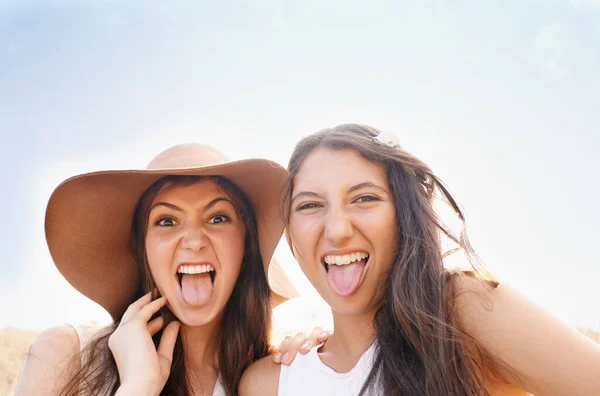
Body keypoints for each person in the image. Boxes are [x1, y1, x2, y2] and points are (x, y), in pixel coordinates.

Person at [241, 124, 600, 395]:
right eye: (310, 205)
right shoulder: (265, 383)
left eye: (364, 198)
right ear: (291, 233)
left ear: (404, 213)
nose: (336, 229)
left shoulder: (461, 311)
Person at [15, 143, 327, 396]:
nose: (193, 241)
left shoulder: (268, 379)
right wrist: (138, 388)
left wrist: (322, 365)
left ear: (245, 245)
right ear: (143, 249)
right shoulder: (66, 354)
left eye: (217, 218)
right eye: (166, 221)